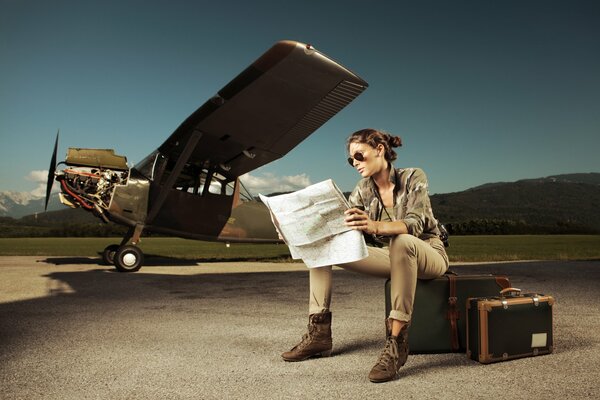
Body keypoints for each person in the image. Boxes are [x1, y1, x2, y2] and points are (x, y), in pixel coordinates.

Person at [281, 128, 449, 383]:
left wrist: (375, 226)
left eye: (359, 155)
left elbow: (415, 222)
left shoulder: (413, 176)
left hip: (428, 251)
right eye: (351, 160)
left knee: (403, 240)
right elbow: (343, 228)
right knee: (322, 246)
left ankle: (396, 344)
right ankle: (319, 335)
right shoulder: (361, 190)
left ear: (379, 150)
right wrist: (298, 233)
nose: (355, 163)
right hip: (391, 256)